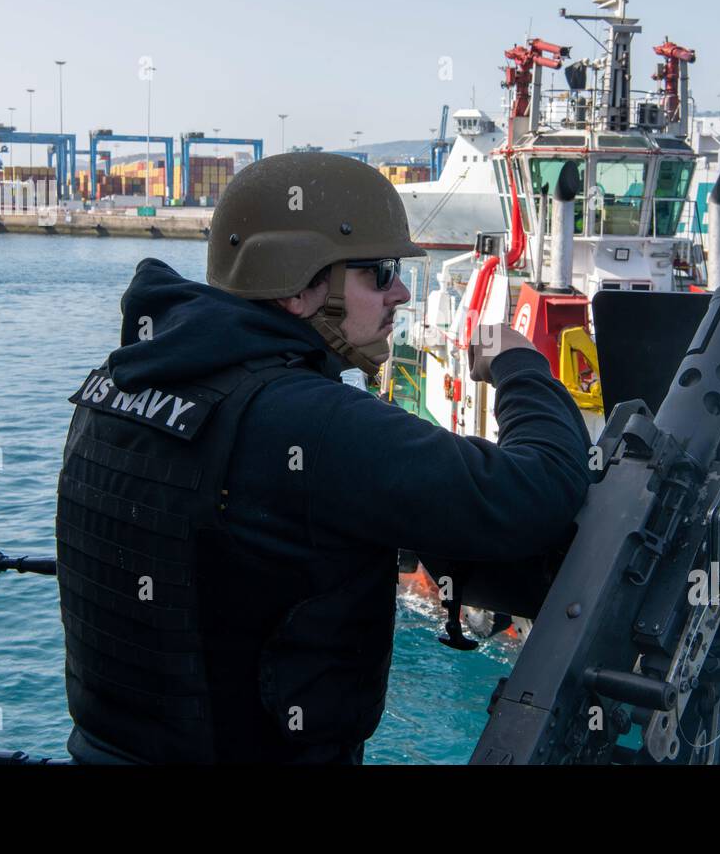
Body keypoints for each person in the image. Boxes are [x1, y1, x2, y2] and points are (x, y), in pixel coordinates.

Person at [54, 152, 592, 764]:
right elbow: (535, 490)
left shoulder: (118, 382)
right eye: (379, 272)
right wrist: (519, 365)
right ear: (300, 285)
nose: (400, 294)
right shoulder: (306, 421)